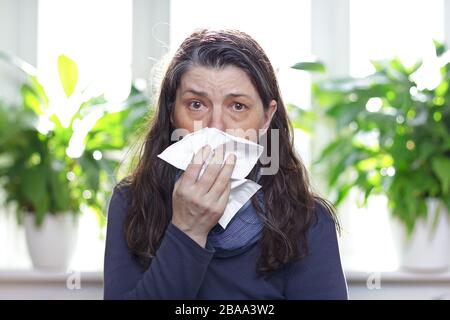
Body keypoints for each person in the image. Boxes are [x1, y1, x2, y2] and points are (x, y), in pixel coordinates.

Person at [103, 28, 348, 300]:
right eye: (196, 104)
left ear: (266, 118)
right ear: (172, 113)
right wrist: (187, 231)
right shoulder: (131, 204)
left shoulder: (309, 222)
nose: (216, 126)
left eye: (238, 106)